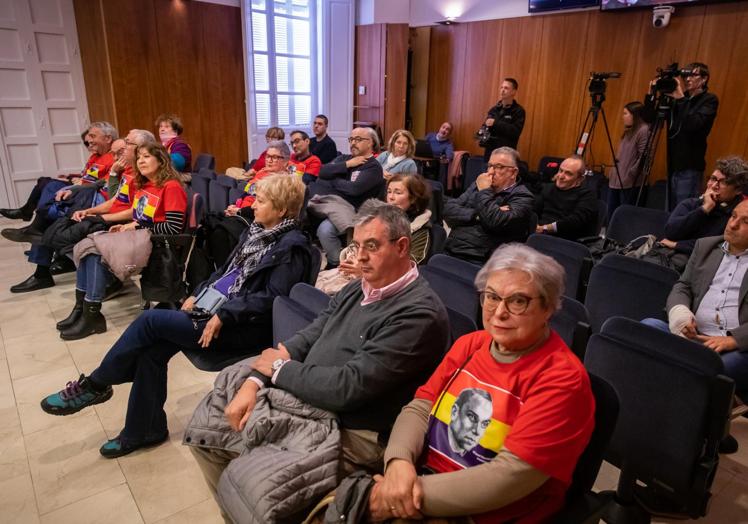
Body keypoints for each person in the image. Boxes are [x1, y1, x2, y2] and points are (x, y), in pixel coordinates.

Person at [184, 203, 449, 519]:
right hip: (311, 399)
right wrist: (256, 381)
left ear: (402, 247)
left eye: (372, 246)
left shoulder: (419, 313)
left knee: (255, 481)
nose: (359, 257)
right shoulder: (362, 288)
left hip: (355, 431)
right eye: (356, 246)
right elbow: (310, 335)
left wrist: (279, 369)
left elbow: (347, 388)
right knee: (208, 426)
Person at [40, 173, 312, 459]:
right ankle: (143, 431)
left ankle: (96, 384)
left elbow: (271, 299)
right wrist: (198, 292)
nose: (253, 205)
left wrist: (225, 315)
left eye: (261, 200)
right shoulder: (255, 231)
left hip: (241, 327)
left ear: (281, 209)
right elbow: (225, 273)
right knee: (152, 350)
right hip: (214, 309)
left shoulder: (292, 247)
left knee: (150, 321)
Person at [369, 243, 595, 523]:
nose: (499, 312)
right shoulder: (471, 344)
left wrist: (398, 496)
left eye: (518, 301)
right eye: (491, 297)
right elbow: (420, 407)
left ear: (548, 308)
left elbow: (509, 477)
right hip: (418, 482)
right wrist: (398, 462)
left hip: (482, 515)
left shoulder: (563, 380)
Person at [642, 199, 748, 453]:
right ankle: (647, 417)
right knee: (645, 330)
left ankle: (687, 438)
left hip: (733, 346)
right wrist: (681, 314)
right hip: (690, 332)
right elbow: (683, 287)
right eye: (732, 216)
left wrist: (734, 339)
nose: (732, 225)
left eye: (745, 222)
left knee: (705, 367)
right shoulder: (706, 247)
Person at [57, 142, 187, 340]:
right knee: (85, 247)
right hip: (140, 237)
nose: (141, 161)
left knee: (95, 252)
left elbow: (173, 227)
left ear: (161, 160)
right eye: (139, 157)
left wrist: (136, 227)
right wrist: (130, 225)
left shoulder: (171, 187)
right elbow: (141, 216)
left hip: (159, 246)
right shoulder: (146, 185)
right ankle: (82, 309)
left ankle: (92, 314)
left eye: (146, 157)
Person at [316, 173, 432, 294]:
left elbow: (405, 271)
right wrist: (349, 259)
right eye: (389, 192)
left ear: (413, 198)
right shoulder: (379, 217)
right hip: (355, 274)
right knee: (314, 287)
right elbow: (355, 245)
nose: (391, 197)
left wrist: (365, 272)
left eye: (398, 193)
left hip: (382, 287)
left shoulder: (421, 231)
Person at [1, 122, 117, 237]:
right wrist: (71, 177)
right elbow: (87, 176)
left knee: (50, 187)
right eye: (87, 140)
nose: (89, 142)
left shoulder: (114, 158)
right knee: (46, 182)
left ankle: (34, 223)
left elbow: (102, 182)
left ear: (108, 139)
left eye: (93, 136)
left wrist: (76, 184)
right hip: (83, 189)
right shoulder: (96, 156)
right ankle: (35, 230)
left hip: (91, 196)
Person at [205, 141, 297, 269]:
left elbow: (267, 207)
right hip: (241, 211)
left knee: (219, 234)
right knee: (208, 225)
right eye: (268, 156)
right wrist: (233, 206)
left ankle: (225, 270)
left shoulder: (283, 182)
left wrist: (239, 211)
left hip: (257, 218)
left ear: (286, 161)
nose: (269, 160)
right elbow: (245, 194)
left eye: (275, 157)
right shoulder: (260, 173)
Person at [309, 126, 385, 268]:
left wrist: (332, 180)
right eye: (351, 139)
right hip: (332, 205)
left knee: (325, 231)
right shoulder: (344, 158)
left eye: (358, 139)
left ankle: (337, 263)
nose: (353, 143)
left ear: (371, 143)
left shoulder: (373, 167)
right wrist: (347, 164)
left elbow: (354, 189)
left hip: (356, 211)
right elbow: (322, 172)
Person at [444, 147, 534, 264]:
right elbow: (448, 210)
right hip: (450, 248)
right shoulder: (480, 185)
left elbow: (494, 221)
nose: (491, 172)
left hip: (481, 259)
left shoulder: (523, 197)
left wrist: (484, 192)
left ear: (513, 173)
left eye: (499, 167)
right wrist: (476, 215)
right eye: (490, 166)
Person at [646, 62, 719, 208]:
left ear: (704, 79)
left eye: (693, 75)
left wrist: (680, 99)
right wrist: (651, 95)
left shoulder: (709, 100)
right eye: (685, 75)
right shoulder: (678, 98)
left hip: (690, 167)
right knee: (669, 213)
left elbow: (693, 124)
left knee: (683, 212)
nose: (687, 79)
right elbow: (650, 119)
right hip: (673, 166)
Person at [660, 156, 748, 255]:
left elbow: (714, 248)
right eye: (713, 179)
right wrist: (704, 209)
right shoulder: (691, 204)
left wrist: (677, 245)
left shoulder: (736, 217)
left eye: (723, 182)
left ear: (738, 190)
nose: (714, 186)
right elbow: (670, 232)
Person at [535, 155, 598, 240]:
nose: (561, 176)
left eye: (568, 173)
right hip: (538, 235)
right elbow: (533, 209)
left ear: (580, 179)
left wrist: (544, 229)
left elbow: (574, 221)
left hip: (566, 241)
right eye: (560, 171)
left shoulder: (587, 195)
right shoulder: (548, 188)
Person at [607, 101, 650, 221]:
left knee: (623, 217)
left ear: (635, 115)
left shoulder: (643, 130)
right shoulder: (629, 130)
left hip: (629, 183)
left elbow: (644, 155)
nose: (623, 116)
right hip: (617, 179)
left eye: (625, 113)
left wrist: (632, 172)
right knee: (611, 215)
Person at [480, 78, 525, 162]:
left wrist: (496, 123)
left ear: (513, 92)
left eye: (506, 88)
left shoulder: (519, 111)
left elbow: (515, 131)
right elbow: (485, 128)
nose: (502, 90)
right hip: (490, 155)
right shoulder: (494, 109)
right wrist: (481, 134)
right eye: (501, 87)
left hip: (506, 157)